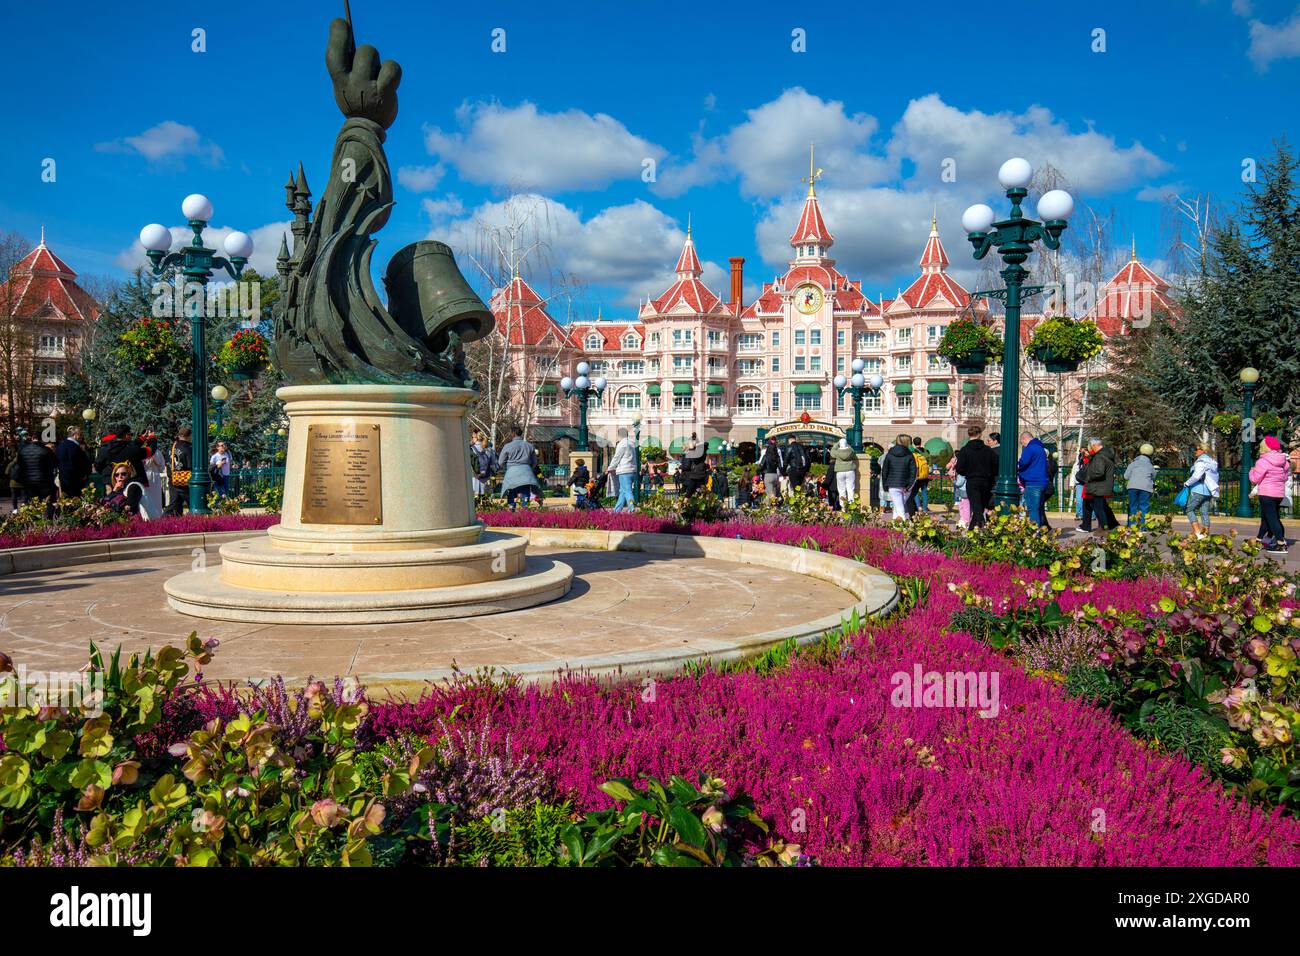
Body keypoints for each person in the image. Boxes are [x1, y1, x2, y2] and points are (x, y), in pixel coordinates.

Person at [1248, 435, 1289, 554]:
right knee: (1266, 519)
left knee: (1272, 519)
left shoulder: (1263, 461)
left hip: (1266, 493)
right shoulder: (1283, 461)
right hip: (1278, 494)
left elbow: (1255, 479)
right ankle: (1258, 542)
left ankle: (1281, 544)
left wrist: (1251, 471)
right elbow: (1285, 478)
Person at [955, 426, 998, 528]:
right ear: (980, 435)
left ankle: (982, 527)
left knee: (977, 508)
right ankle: (972, 530)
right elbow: (996, 464)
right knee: (979, 507)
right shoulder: (988, 450)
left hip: (972, 480)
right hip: (986, 481)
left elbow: (959, 468)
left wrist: (967, 472)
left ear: (969, 434)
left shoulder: (965, 450)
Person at [16, 431, 58, 519]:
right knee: (46, 503)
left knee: (30, 503)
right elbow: (55, 463)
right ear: (42, 439)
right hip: (44, 482)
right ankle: (47, 521)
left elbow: (19, 465)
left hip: (28, 481)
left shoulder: (23, 450)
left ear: (32, 438)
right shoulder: (46, 450)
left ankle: (31, 521)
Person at [1083, 440, 1120, 534]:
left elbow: (1099, 472)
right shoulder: (1105, 454)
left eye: (1091, 447)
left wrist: (1088, 476)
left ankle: (1104, 528)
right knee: (1103, 506)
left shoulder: (1100, 456)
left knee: (1099, 508)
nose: (1091, 449)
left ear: (1094, 445)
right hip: (1103, 485)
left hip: (1098, 486)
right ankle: (1112, 524)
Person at [1183, 442, 1219, 536]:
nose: (1195, 451)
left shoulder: (1201, 461)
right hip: (1209, 490)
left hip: (1198, 489)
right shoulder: (1212, 462)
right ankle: (1206, 533)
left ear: (1203, 451)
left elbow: (1196, 476)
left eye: (1197, 449)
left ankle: (1197, 532)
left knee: (1189, 510)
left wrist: (1187, 483)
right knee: (1204, 511)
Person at [498, 427, 539, 511]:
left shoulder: (507, 446)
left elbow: (500, 462)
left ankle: (511, 509)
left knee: (512, 493)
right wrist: (528, 468)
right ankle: (525, 510)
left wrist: (507, 468)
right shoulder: (529, 446)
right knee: (525, 493)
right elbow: (535, 462)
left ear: (513, 434)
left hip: (512, 473)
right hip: (526, 473)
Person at [1016, 433, 1050, 527]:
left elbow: (1023, 462)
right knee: (1038, 508)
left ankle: (1035, 533)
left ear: (1024, 439)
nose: (1022, 445)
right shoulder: (1040, 448)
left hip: (1033, 483)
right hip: (1042, 482)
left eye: (1021, 443)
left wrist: (1016, 466)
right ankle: (1041, 531)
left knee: (1033, 509)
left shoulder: (1030, 448)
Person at [881, 434, 917, 521]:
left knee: (898, 507)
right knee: (900, 507)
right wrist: (909, 486)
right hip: (906, 485)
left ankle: (896, 525)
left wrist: (885, 485)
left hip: (892, 484)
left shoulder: (889, 454)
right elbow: (913, 472)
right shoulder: (910, 455)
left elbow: (885, 471)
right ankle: (902, 526)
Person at [1123, 443, 1156, 529]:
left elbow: (1125, 476)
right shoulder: (1150, 465)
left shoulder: (1133, 464)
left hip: (1132, 487)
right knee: (1144, 507)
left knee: (1132, 506)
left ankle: (1131, 526)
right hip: (1146, 488)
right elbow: (1154, 476)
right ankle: (1142, 527)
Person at [606, 427, 637, 513]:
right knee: (623, 492)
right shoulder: (632, 443)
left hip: (624, 471)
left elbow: (617, 457)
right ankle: (616, 511)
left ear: (619, 435)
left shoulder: (622, 444)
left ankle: (632, 508)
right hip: (632, 470)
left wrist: (610, 468)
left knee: (627, 491)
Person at [56, 426, 92, 499]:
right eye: (80, 434)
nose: (82, 437)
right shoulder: (75, 447)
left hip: (63, 478)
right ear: (75, 435)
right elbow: (79, 463)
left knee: (66, 501)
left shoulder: (61, 445)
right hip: (75, 480)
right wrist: (83, 475)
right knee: (76, 501)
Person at [166, 425, 193, 516]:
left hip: (173, 479)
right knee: (194, 504)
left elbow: (167, 463)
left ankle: (166, 522)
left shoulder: (172, 447)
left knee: (174, 506)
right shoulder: (188, 448)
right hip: (185, 480)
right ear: (188, 436)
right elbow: (191, 466)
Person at [140, 431, 166, 520]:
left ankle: (155, 518)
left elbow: (161, 466)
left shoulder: (156, 452)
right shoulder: (141, 451)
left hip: (153, 478)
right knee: (147, 500)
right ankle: (147, 519)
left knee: (154, 500)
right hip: (146, 478)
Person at [905, 436, 930, 516]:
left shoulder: (914, 451)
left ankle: (919, 507)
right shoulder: (926, 451)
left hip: (916, 475)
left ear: (913, 443)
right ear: (920, 442)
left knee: (915, 492)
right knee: (924, 492)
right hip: (925, 475)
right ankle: (925, 509)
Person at [470, 430, 497, 499]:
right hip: (486, 479)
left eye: (472, 437)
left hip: (474, 478)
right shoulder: (489, 449)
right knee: (486, 500)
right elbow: (494, 465)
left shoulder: (471, 449)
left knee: (475, 501)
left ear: (476, 438)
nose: (472, 439)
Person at [830, 438, 857, 505]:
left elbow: (832, 452)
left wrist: (837, 444)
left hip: (840, 471)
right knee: (850, 489)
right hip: (850, 470)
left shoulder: (837, 452)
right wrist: (848, 445)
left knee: (841, 490)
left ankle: (843, 506)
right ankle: (851, 505)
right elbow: (854, 454)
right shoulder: (850, 450)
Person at [947, 455, 970, 526]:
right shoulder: (963, 471)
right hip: (963, 491)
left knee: (966, 506)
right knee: (962, 505)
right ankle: (963, 518)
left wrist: (953, 479)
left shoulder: (961, 473)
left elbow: (959, 483)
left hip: (964, 491)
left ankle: (966, 520)